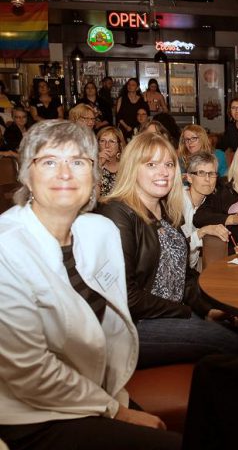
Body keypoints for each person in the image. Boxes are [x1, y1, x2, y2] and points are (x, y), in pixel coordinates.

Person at [0, 120, 181, 450]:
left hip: (97, 390)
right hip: (34, 414)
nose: (66, 173)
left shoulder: (100, 230)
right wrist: (115, 412)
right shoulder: (6, 248)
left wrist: (111, 399)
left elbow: (111, 324)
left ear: (95, 175)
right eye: (50, 161)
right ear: (27, 173)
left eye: (79, 161)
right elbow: (30, 373)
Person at [98, 132, 238, 368]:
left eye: (169, 164)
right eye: (151, 164)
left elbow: (182, 275)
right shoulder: (117, 212)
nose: (164, 172)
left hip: (171, 313)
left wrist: (207, 309)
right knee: (236, 342)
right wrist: (184, 311)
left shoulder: (168, 211)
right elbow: (125, 296)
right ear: (132, 168)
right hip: (135, 325)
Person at [182, 152, 229, 272]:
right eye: (201, 173)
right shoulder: (177, 202)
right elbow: (175, 247)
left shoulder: (212, 203)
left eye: (212, 174)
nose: (207, 179)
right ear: (189, 177)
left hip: (193, 268)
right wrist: (202, 231)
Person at [96, 126, 126, 197]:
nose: (107, 145)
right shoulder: (92, 166)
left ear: (119, 146)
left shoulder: (126, 167)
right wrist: (98, 166)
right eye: (102, 141)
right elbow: (91, 200)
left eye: (111, 141)